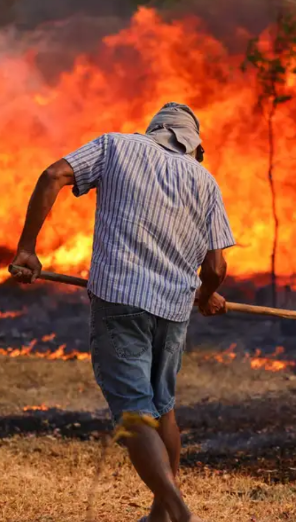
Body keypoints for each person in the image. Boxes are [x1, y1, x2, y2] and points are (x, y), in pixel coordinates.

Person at [10, 102, 235, 522]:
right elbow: (217, 268)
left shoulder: (116, 147)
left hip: (120, 300)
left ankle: (177, 510)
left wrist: (27, 249)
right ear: (194, 146)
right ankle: (160, 516)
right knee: (162, 406)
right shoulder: (205, 182)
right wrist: (206, 295)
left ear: (153, 131)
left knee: (134, 409)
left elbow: (53, 175)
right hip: (172, 311)